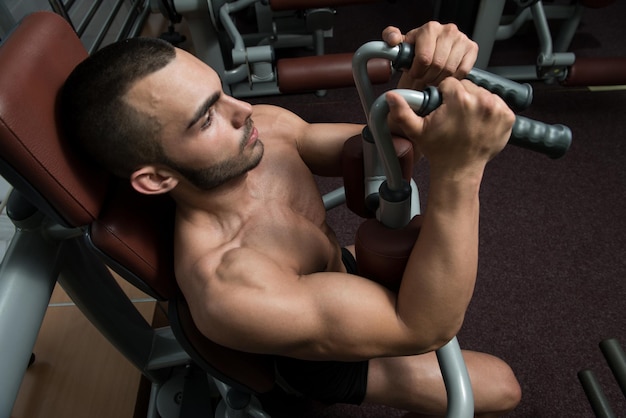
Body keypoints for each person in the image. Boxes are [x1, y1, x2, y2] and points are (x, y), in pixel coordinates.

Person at [60, 21, 521, 417]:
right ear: (158, 178)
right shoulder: (232, 288)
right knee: (502, 387)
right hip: (320, 351)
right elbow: (422, 327)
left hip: (334, 271)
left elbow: (387, 152)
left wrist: (416, 78)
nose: (242, 110)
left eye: (219, 91)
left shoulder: (263, 128)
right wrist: (460, 173)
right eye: (206, 120)